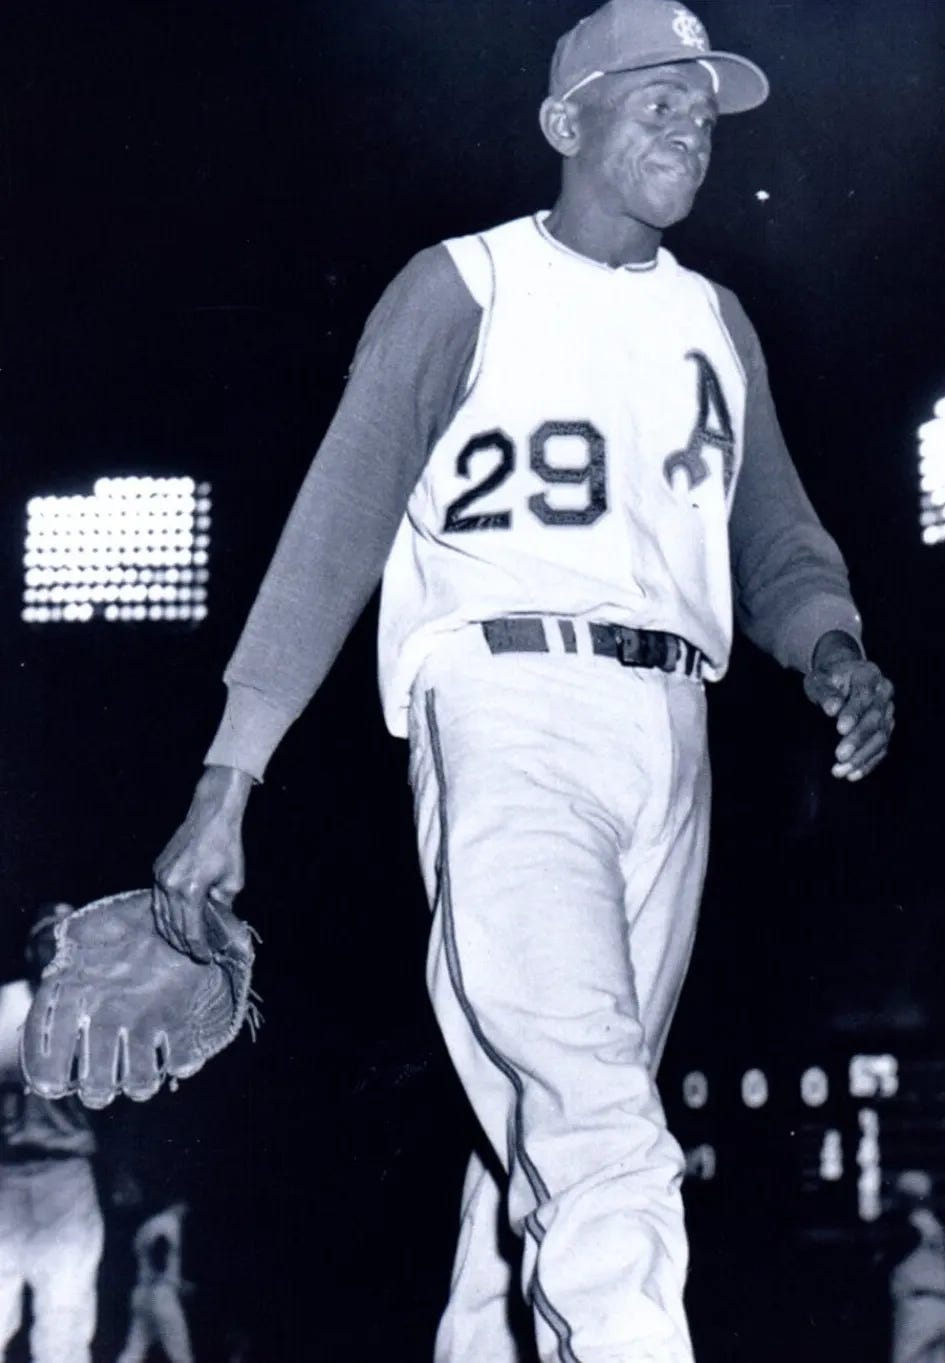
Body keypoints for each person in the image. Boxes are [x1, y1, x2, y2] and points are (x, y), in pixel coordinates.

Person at [152, 2, 895, 1359]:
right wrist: (227, 782)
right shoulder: (463, 282)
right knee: (599, 1118)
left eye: (704, 107)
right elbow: (334, 531)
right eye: (655, 99)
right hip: (504, 710)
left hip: (674, 737)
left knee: (532, 1152)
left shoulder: (712, 321)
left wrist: (830, 643)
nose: (692, 126)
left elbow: (773, 531)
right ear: (566, 123)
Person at [0, 903, 104, 1363]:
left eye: (69, 940)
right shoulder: (5, 1006)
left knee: (65, 1316)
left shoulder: (97, 1014)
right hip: (4, 1176)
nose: (58, 949)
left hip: (66, 1180)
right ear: (30, 948)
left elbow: (127, 1110)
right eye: (49, 939)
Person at [884, 1172, 945, 1363]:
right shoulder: (936, 1225)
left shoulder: (911, 1227)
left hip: (918, 1307)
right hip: (942, 1307)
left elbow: (886, 1260)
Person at [115, 1201, 195, 1363]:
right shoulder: (169, 1222)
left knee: (134, 1350)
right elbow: (160, 1247)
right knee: (181, 1354)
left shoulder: (147, 1226)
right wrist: (168, 1279)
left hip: (142, 1292)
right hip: (161, 1294)